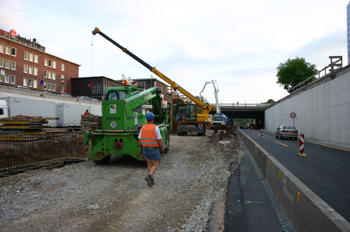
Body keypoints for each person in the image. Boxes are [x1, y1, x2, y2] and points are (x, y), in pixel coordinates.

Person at [138, 112, 164, 187]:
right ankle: (149, 175)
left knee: (149, 163)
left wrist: (141, 148)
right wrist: (162, 148)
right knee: (156, 164)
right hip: (153, 148)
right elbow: (160, 139)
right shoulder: (155, 127)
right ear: (153, 119)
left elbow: (139, 139)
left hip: (145, 147)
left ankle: (151, 180)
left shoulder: (143, 127)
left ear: (146, 119)